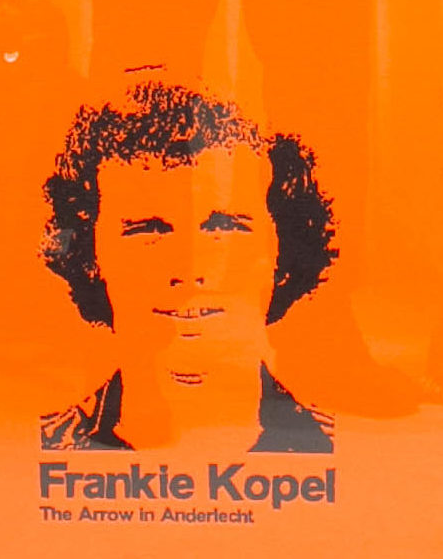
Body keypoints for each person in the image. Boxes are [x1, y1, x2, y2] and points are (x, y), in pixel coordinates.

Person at [39, 79, 335, 453]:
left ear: (283, 253)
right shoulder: (43, 451)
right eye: (149, 230)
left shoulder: (349, 456)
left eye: (223, 227)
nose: (188, 268)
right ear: (90, 255)